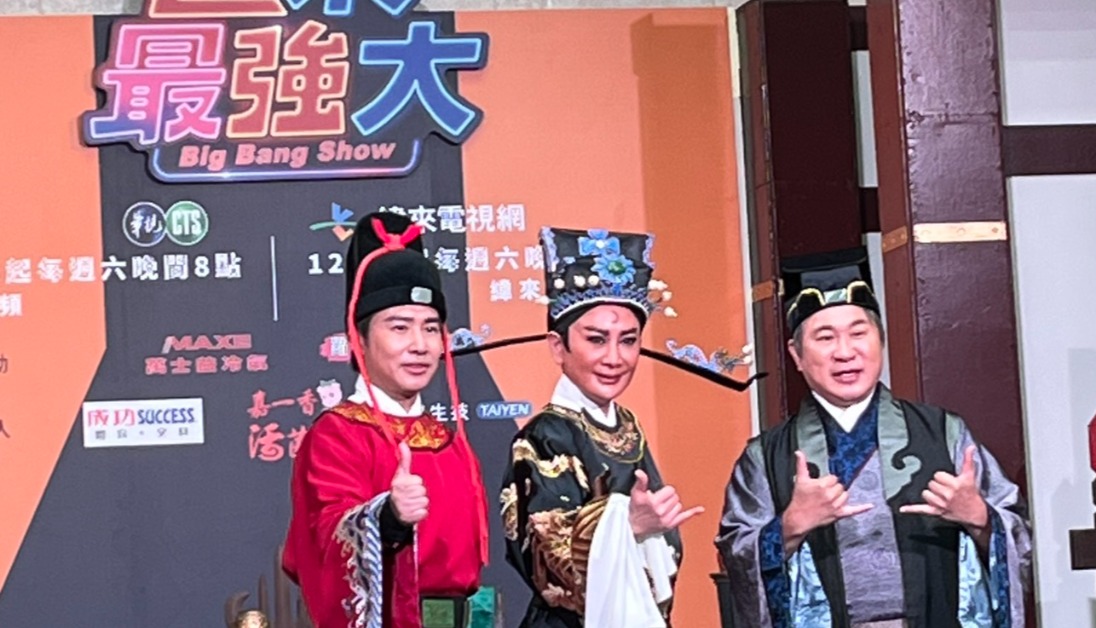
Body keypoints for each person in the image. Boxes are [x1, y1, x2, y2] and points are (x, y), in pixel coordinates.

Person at [452, 227, 763, 628]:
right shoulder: (544, 436)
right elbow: (544, 556)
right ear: (558, 346)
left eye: (628, 341)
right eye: (597, 340)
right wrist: (628, 526)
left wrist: (648, 530)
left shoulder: (628, 426)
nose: (614, 358)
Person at [715, 248, 1032, 628]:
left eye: (858, 333)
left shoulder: (943, 433)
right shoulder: (766, 456)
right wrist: (789, 527)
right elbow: (735, 556)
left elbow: (1020, 542)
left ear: (880, 340)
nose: (845, 352)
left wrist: (980, 517)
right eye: (825, 337)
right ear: (796, 355)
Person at [283, 212, 488, 628]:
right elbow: (322, 540)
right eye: (399, 328)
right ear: (358, 339)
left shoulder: (448, 440)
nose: (419, 345)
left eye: (431, 329)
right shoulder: (338, 434)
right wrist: (387, 519)